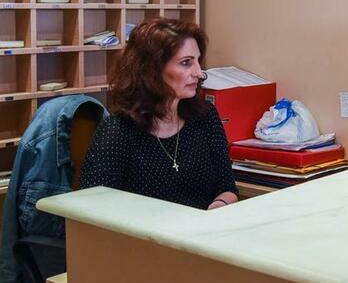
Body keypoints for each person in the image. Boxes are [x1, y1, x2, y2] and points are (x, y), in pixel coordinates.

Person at [80, 18, 238, 210]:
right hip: (141, 229)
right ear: (152, 70)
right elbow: (93, 209)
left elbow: (227, 187)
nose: (199, 73)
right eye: (186, 63)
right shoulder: (118, 131)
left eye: (198, 61)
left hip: (201, 226)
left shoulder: (205, 116)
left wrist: (217, 206)